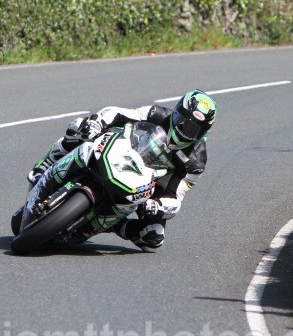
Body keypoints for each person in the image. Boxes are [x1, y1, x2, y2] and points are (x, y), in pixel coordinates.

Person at [26, 89, 217, 250]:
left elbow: (176, 197)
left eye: (193, 129)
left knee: (153, 238)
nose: (184, 129)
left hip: (150, 185)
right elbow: (118, 113)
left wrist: (158, 205)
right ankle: (46, 163)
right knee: (79, 127)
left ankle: (115, 225)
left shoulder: (196, 162)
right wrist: (97, 122)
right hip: (127, 152)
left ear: (203, 133)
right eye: (183, 120)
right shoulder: (157, 113)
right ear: (176, 112)